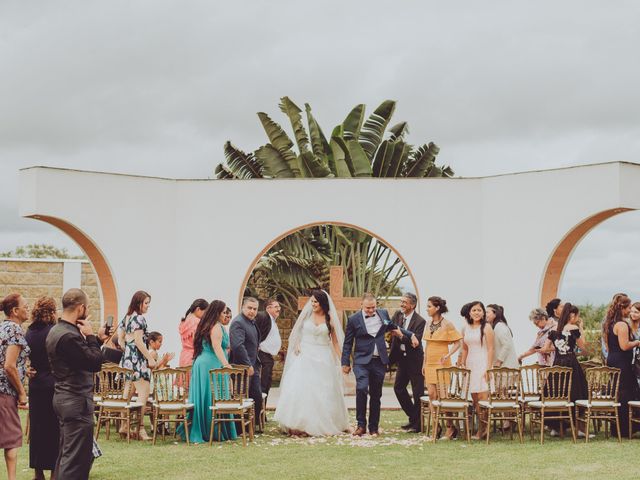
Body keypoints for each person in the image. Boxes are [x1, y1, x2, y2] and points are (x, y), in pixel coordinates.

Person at [273, 290, 349, 436]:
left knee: (322, 391)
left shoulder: (330, 319)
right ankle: (298, 424)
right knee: (301, 389)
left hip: (323, 357)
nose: (313, 304)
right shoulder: (306, 316)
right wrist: (296, 345)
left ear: (323, 303)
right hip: (305, 356)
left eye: (316, 302)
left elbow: (335, 343)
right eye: (312, 301)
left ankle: (321, 423)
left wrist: (343, 361)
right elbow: (295, 334)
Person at [341, 293, 417, 437]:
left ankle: (373, 427)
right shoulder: (353, 320)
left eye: (373, 307)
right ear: (361, 306)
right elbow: (348, 343)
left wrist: (410, 335)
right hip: (361, 361)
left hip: (379, 361)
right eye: (368, 308)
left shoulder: (382, 314)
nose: (371, 310)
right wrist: (345, 362)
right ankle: (361, 425)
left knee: (376, 395)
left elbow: (393, 327)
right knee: (362, 389)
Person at [46, 289, 103, 480]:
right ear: (81, 308)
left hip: (63, 397)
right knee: (76, 461)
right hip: (76, 400)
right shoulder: (69, 336)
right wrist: (91, 336)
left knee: (66, 454)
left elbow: (80, 359)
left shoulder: (56, 330)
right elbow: (94, 363)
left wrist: (99, 339)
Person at [182, 300, 237, 443]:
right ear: (217, 312)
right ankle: (212, 430)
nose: (225, 314)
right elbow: (217, 347)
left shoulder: (205, 325)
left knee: (206, 396)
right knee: (213, 395)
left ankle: (208, 428)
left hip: (201, 363)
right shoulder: (216, 327)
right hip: (211, 364)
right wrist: (226, 365)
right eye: (224, 312)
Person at [542, 302, 590, 437]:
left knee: (556, 393)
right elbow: (584, 348)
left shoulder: (554, 330)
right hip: (571, 364)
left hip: (557, 364)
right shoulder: (573, 328)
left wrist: (558, 348)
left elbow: (546, 348)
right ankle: (579, 428)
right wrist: (581, 328)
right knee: (577, 393)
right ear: (572, 315)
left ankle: (556, 427)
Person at [25, 297, 59, 480]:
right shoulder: (53, 332)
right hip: (52, 383)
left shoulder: (29, 332)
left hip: (35, 383)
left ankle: (38, 473)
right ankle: (54, 472)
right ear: (52, 312)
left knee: (37, 429)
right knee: (53, 429)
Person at [421, 296, 462, 440]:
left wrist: (448, 354)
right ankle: (436, 425)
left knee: (443, 396)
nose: (427, 309)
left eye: (429, 306)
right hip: (430, 362)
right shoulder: (427, 323)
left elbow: (458, 342)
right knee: (432, 395)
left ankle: (450, 427)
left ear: (437, 308)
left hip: (442, 362)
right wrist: (424, 364)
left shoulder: (447, 324)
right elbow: (427, 345)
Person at [118, 290, 157, 440]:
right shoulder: (139, 319)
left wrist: (127, 349)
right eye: (146, 303)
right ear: (139, 302)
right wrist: (150, 359)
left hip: (127, 358)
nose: (148, 306)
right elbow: (139, 342)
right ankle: (140, 429)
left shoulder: (127, 318)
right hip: (138, 359)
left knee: (127, 393)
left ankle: (124, 425)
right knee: (144, 392)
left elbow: (121, 339)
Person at [0, 293, 30, 480]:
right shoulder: (15, 330)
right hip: (6, 391)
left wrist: (25, 370)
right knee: (11, 439)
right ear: (15, 311)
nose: (28, 308)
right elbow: (9, 366)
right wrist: (22, 392)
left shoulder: (2, 328)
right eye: (25, 306)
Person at [602, 294, 640, 437]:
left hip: (613, 359)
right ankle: (625, 429)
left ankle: (617, 428)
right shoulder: (622, 324)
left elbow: (608, 345)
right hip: (622, 362)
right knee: (625, 393)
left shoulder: (609, 323)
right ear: (622, 308)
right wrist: (637, 342)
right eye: (629, 308)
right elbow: (624, 346)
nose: (630, 311)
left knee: (618, 392)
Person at [388, 292, 426, 433]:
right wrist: (406, 335)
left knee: (418, 392)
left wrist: (401, 335)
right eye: (401, 301)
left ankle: (417, 424)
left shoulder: (420, 321)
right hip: (401, 358)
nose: (402, 304)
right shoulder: (398, 315)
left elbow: (414, 344)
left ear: (413, 305)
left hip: (415, 359)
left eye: (405, 302)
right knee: (398, 388)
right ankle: (414, 417)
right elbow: (391, 328)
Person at [458, 301, 494, 440]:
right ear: (469, 313)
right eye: (474, 310)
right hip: (471, 364)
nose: (477, 312)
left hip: (483, 362)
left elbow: (491, 348)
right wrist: (463, 364)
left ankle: (483, 429)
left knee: (483, 399)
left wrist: (489, 368)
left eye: (479, 310)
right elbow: (465, 348)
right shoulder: (465, 328)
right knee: (474, 401)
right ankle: (481, 427)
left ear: (483, 312)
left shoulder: (487, 328)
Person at [230, 297, 263, 431]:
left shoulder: (251, 322)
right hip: (241, 368)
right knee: (241, 397)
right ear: (243, 307)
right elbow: (238, 346)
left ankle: (251, 426)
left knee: (256, 396)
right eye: (249, 308)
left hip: (253, 365)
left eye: (255, 309)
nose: (252, 311)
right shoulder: (238, 322)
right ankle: (239, 429)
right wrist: (247, 364)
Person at [255, 298, 282, 397]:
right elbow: (254, 331)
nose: (278, 309)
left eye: (279, 306)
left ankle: (263, 410)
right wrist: (255, 345)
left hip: (267, 357)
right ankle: (259, 410)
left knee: (266, 386)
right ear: (268, 308)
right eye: (276, 307)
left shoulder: (272, 320)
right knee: (262, 386)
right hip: (262, 355)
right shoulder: (263, 316)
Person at [178, 299, 208, 367]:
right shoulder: (197, 322)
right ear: (198, 309)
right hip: (193, 357)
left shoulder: (183, 322)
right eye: (205, 312)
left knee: (183, 377)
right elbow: (197, 342)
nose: (205, 315)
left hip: (184, 356)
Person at [487, 304, 518, 368]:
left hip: (506, 367)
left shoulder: (500, 326)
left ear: (495, 314)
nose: (485, 315)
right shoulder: (495, 326)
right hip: (503, 367)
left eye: (487, 312)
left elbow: (506, 345)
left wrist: (499, 361)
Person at [630, 302, 640, 389]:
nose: (633, 314)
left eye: (636, 312)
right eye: (631, 311)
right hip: (631, 358)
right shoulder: (628, 325)